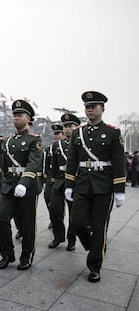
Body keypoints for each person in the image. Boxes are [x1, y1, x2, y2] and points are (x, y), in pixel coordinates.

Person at [65, 91, 126, 283]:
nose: (89, 109)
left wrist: (119, 190)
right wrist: (69, 184)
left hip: (104, 186)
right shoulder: (78, 133)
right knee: (76, 223)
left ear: (102, 109)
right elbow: (72, 161)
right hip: (82, 184)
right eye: (87, 106)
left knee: (99, 227)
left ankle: (94, 266)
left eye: (94, 106)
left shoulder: (112, 132)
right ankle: (94, 247)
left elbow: (118, 162)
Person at [0, 100, 42, 271]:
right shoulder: (6, 141)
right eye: (14, 115)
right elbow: (1, 163)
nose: (16, 118)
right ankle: (7, 254)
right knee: (1, 217)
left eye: (19, 115)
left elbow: (34, 163)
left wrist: (24, 182)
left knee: (27, 223)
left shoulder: (34, 140)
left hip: (27, 186)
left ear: (29, 119)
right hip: (9, 185)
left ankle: (26, 256)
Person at [48, 114, 80, 251]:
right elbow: (54, 166)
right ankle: (58, 236)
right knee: (54, 209)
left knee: (74, 213)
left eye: (70, 126)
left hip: (75, 181)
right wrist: (51, 183)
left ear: (76, 127)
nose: (67, 129)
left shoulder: (81, 143)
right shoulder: (57, 145)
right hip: (60, 181)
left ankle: (71, 239)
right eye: (65, 126)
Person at [43, 125, 64, 230]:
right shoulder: (49, 148)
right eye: (54, 133)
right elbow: (46, 163)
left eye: (58, 133)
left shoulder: (68, 146)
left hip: (63, 173)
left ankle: (59, 219)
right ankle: (54, 218)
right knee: (47, 197)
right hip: (52, 175)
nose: (55, 136)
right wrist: (45, 177)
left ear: (63, 134)